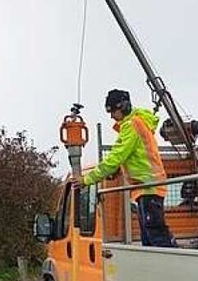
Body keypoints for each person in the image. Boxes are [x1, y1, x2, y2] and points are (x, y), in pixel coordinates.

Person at [75, 88, 176, 247]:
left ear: (123, 106)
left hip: (148, 186)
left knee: (156, 236)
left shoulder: (132, 125)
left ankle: (172, 268)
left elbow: (116, 156)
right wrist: (118, 169)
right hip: (146, 187)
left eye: (113, 111)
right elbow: (131, 155)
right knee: (149, 238)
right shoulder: (136, 123)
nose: (111, 116)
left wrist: (87, 179)